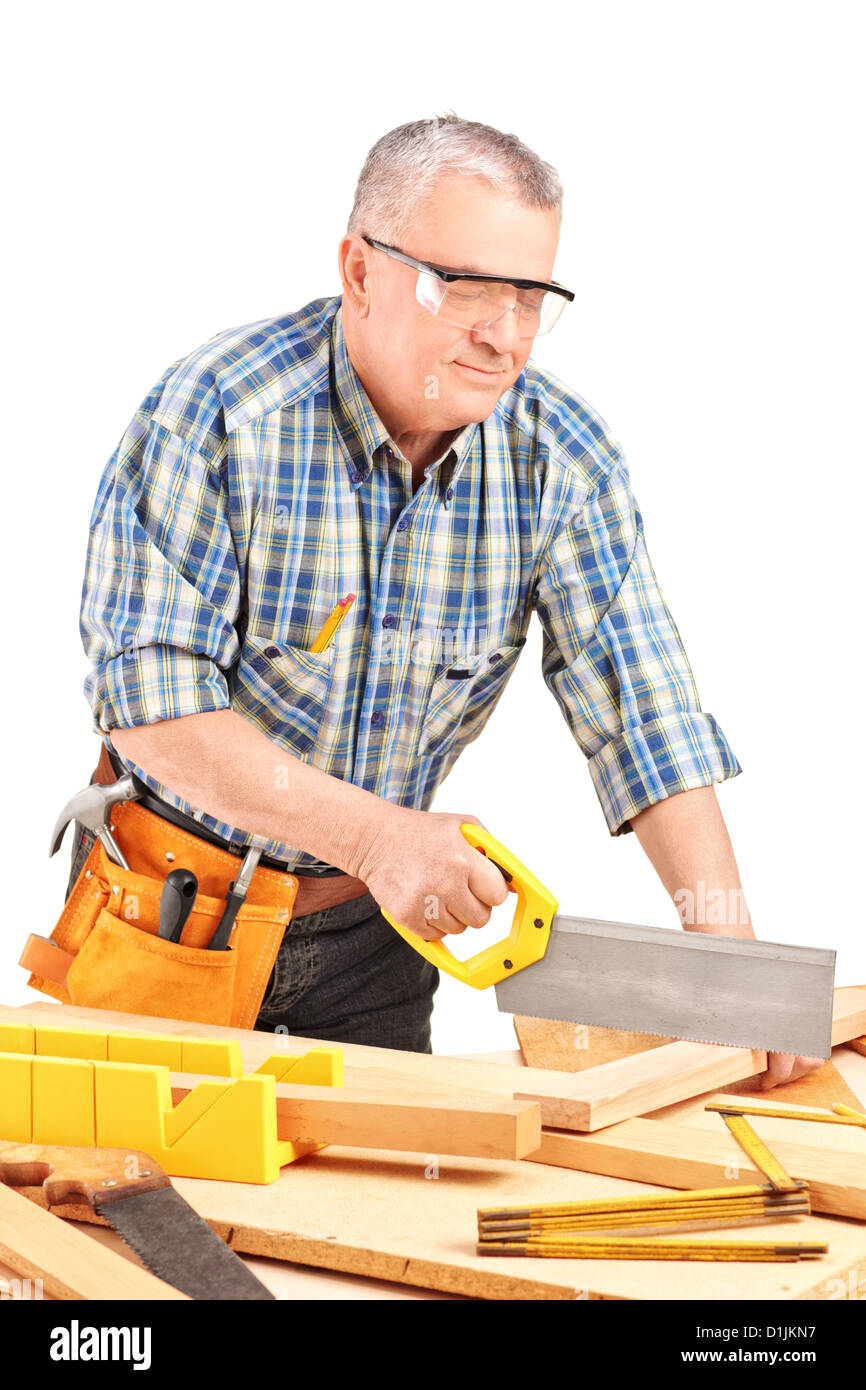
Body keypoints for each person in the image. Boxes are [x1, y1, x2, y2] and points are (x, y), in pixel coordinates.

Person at [75, 113, 820, 1084]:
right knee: (120, 1210)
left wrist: (728, 953)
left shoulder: (563, 459)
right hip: (175, 922)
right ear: (358, 271)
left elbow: (646, 721)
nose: (501, 334)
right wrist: (383, 835)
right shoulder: (214, 415)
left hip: (379, 936)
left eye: (529, 296)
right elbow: (151, 708)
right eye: (465, 288)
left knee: (368, 1225)